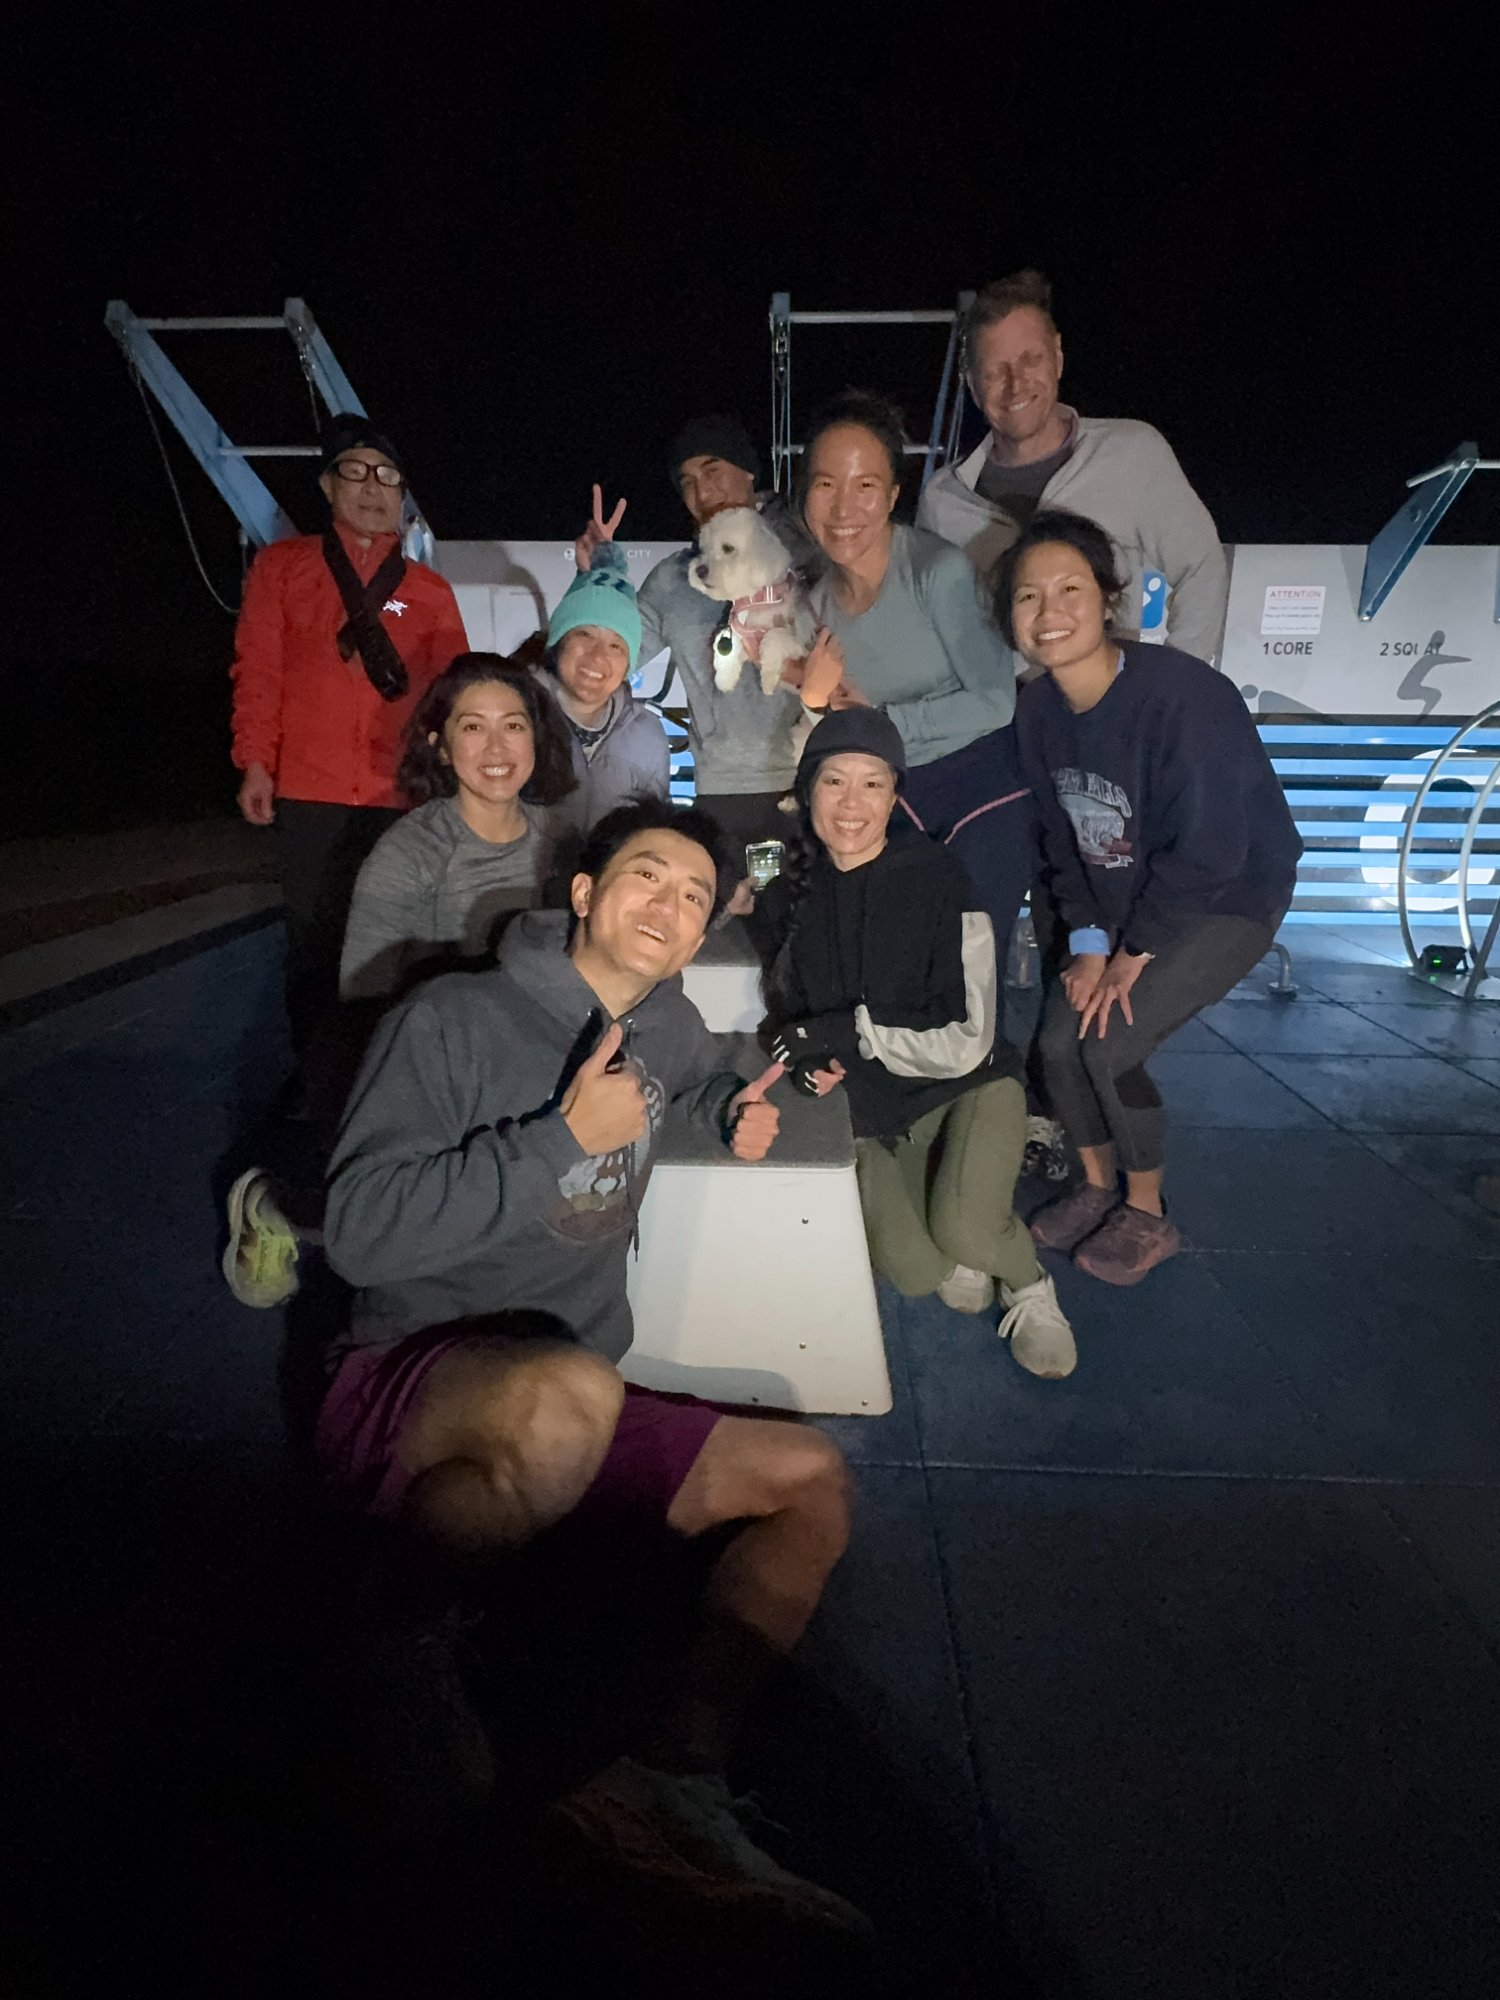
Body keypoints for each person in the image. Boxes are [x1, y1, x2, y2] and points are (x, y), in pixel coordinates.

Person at [318, 797, 867, 1934]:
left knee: (813, 1476)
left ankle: (673, 1774)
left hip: (571, 1391)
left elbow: (711, 1069)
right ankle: (394, 1639)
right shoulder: (451, 1020)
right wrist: (560, 1140)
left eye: (694, 897)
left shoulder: (666, 1026)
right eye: (646, 877)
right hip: (408, 1379)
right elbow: (362, 1228)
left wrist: (728, 1110)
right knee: (578, 1389)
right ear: (581, 890)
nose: (670, 906)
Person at [1001, 510, 1302, 1285]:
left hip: (1227, 898)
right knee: (1057, 1044)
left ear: (1108, 599)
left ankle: (1146, 1208)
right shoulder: (1036, 710)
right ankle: (1095, 1185)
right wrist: (1091, 944)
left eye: (1070, 588)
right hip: (1120, 908)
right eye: (1027, 597)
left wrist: (1132, 955)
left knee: (1112, 1043)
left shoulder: (1182, 696)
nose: (1048, 611)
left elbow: (1213, 848)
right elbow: (1060, 844)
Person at [753, 711, 1076, 1378]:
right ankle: (958, 1227)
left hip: (968, 1087)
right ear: (805, 790)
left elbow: (968, 1038)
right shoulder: (786, 893)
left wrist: (848, 1031)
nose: (852, 804)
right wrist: (807, 1056)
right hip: (877, 1115)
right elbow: (790, 1010)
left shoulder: (939, 877)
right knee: (915, 1271)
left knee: (967, 1231)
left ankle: (1027, 1281)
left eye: (872, 785)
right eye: (834, 781)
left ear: (894, 795)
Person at [229, 415, 468, 1081]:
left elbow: (455, 695)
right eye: (355, 472)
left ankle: (388, 1075)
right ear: (328, 486)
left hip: (403, 795)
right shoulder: (283, 569)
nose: (372, 487)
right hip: (309, 792)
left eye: (387, 475)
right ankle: (317, 1078)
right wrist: (255, 759)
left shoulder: (430, 591)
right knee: (313, 945)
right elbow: (259, 669)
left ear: (402, 494)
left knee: (400, 942)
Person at [795, 391, 1036, 967]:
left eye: (866, 486)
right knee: (890, 965)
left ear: (893, 495)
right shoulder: (815, 605)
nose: (844, 507)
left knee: (967, 973)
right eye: (826, 484)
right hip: (895, 801)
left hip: (982, 794)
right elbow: (836, 719)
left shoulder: (938, 572)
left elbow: (996, 701)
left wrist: (879, 721)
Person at [918, 270, 1229, 667]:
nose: (1016, 385)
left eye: (1031, 360)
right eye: (995, 372)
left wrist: (1170, 689)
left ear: (1058, 357)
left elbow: (1201, 567)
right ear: (972, 385)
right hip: (998, 721)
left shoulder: (1132, 453)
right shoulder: (942, 500)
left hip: (1108, 716)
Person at [575, 420, 812, 855]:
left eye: (713, 469)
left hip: (814, 780)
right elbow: (613, 658)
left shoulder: (806, 553)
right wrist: (597, 585)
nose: (702, 492)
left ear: (748, 472)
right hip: (721, 791)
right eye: (687, 482)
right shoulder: (674, 578)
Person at [338, 653, 576, 1003]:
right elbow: (363, 994)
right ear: (442, 748)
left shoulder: (563, 838)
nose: (496, 747)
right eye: (473, 727)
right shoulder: (409, 853)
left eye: (513, 726)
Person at [538, 527, 670, 842]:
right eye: (585, 634)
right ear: (559, 642)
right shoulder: (516, 716)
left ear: (629, 664)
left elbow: (652, 836)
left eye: (617, 646)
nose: (598, 657)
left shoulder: (648, 736)